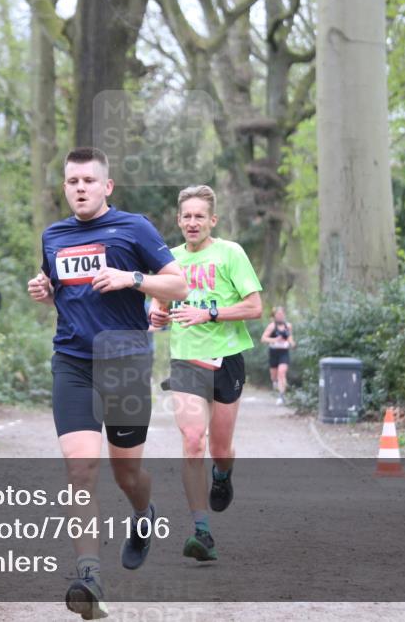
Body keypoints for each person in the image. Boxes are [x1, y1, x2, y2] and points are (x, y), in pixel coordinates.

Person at [27, 147, 188, 619]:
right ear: (65, 187)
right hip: (73, 363)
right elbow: (60, 290)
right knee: (81, 470)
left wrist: (131, 278)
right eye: (72, 181)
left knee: (126, 474)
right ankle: (89, 576)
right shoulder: (53, 236)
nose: (80, 188)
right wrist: (44, 290)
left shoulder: (134, 228)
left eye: (89, 181)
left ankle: (143, 514)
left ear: (107, 186)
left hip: (125, 361)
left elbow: (178, 285)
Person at [148, 185, 262, 562]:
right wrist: (158, 315)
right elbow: (158, 304)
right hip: (186, 361)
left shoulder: (231, 253)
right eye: (187, 216)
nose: (193, 222)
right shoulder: (169, 259)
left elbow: (254, 307)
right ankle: (201, 532)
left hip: (226, 359)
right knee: (194, 440)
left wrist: (209, 313)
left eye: (200, 216)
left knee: (220, 449)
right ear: (178, 221)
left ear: (212, 220)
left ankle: (223, 474)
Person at [261, 306, 294, 406]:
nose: (280, 316)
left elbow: (290, 338)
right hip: (274, 353)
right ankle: (275, 383)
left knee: (281, 373)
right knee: (274, 377)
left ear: (284, 315)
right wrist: (275, 340)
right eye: (278, 314)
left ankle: (281, 396)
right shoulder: (271, 326)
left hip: (284, 352)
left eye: (282, 314)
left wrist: (292, 343)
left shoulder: (288, 326)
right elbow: (263, 339)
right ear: (275, 316)